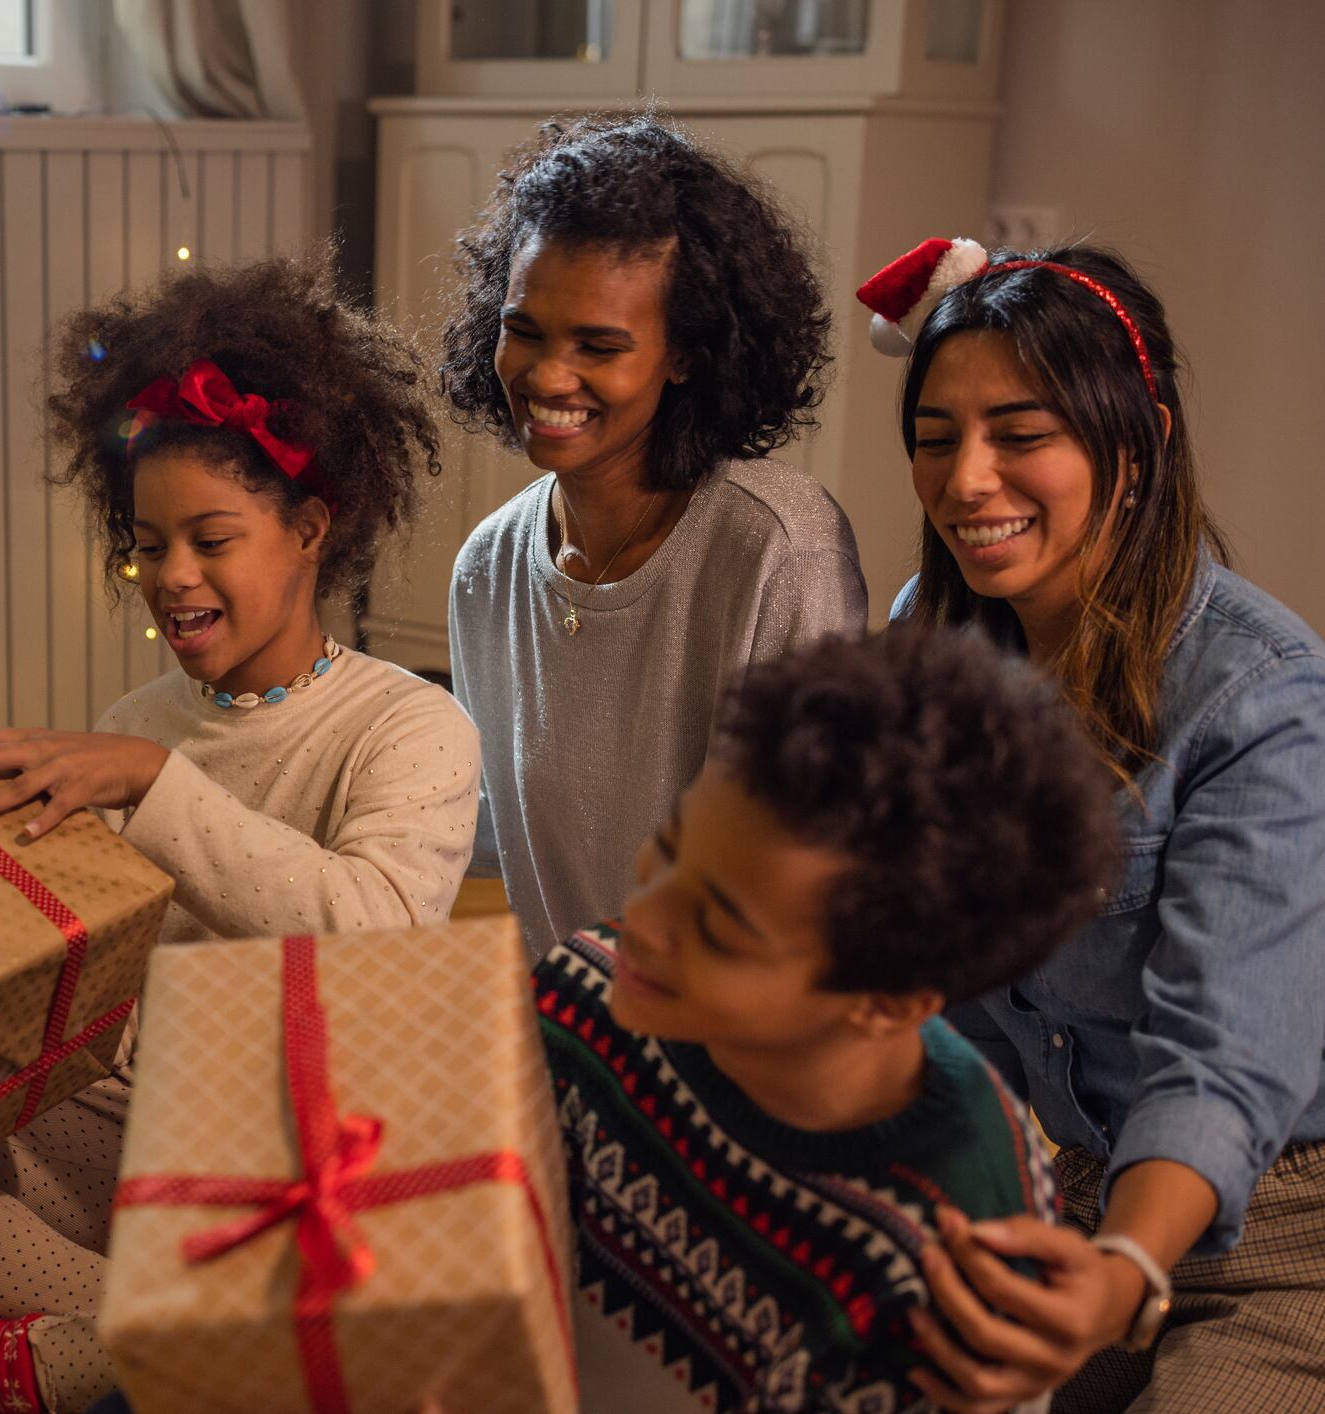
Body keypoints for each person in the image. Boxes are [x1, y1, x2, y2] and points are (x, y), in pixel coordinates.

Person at [0, 253, 482, 1414]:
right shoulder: (139, 720)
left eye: (210, 538)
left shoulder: (411, 727)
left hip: (294, 1168)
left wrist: (152, 784)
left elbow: (373, 932)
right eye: (146, 543)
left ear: (308, 527)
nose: (169, 577)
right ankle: (146, 1338)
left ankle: (26, 1357)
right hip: (132, 1135)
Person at [859, 238, 1325, 1412]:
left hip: (1285, 1230)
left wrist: (1118, 1269)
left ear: (1137, 442)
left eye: (1019, 435)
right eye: (934, 438)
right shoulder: (930, 641)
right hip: (1069, 1194)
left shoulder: (1257, 692)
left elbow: (1221, 1062)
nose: (966, 480)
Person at [537, 627, 1117, 1412]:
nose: (642, 919)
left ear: (885, 1002)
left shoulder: (947, 1261)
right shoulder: (578, 1003)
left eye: (718, 930)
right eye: (668, 852)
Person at [441, 112, 868, 965]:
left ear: (686, 356)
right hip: (570, 1024)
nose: (547, 376)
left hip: (733, 1029)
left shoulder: (780, 550)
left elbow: (799, 876)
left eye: (598, 346)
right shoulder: (488, 567)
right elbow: (479, 838)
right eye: (523, 331)